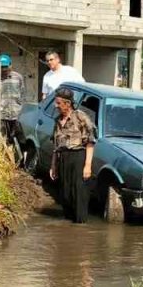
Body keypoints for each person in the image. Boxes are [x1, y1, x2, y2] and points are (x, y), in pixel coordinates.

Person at [49, 87, 96, 223]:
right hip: (63, 159)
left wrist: (87, 166)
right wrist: (53, 166)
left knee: (78, 194)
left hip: (78, 157)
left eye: (58, 103)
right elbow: (56, 146)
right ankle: (68, 224)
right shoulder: (57, 121)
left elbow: (90, 143)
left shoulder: (81, 117)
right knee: (65, 194)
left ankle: (80, 224)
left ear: (67, 103)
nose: (56, 106)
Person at [0, 53, 25, 145]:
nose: (4, 69)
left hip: (16, 113)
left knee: (18, 138)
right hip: (1, 114)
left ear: (10, 65)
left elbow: (22, 93)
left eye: (6, 67)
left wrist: (20, 107)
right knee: (3, 138)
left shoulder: (18, 77)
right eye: (1, 67)